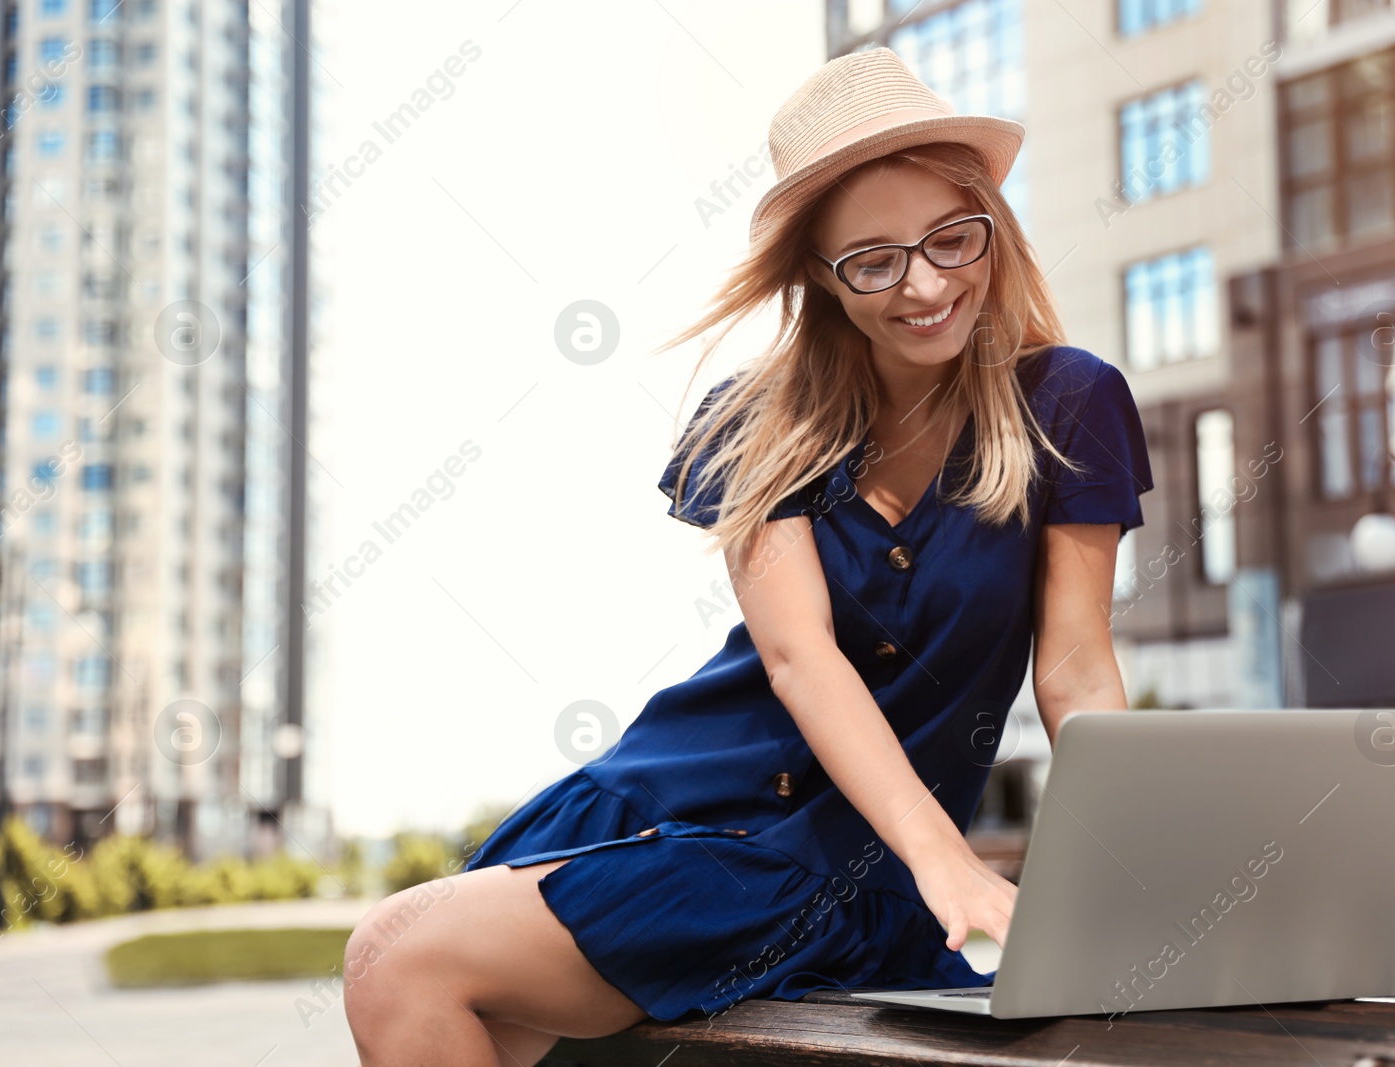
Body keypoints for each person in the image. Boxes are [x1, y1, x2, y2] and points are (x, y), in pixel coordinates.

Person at [342, 46, 1154, 1067]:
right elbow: (797, 657)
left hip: (835, 865)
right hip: (665, 802)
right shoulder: (757, 419)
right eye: (875, 259)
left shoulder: (1067, 401)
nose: (926, 283)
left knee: (398, 960)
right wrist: (944, 857)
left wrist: (1125, 874)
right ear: (819, 275)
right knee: (412, 975)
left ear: (995, 224)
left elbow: (1076, 667)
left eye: (954, 238)